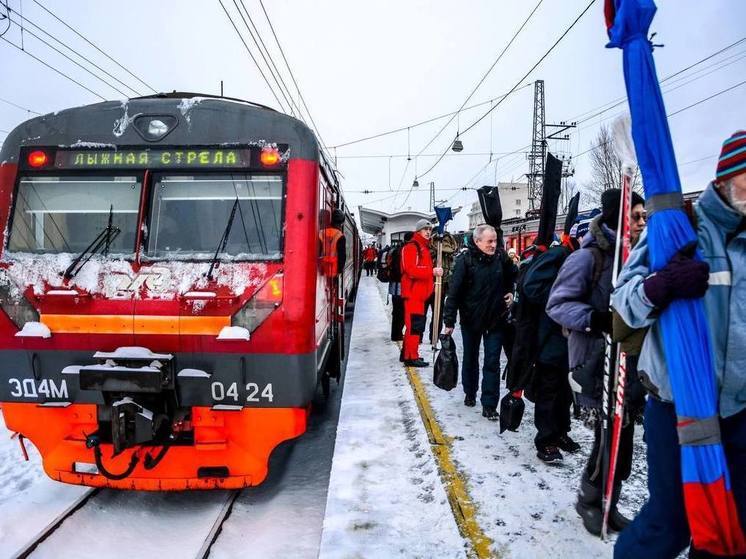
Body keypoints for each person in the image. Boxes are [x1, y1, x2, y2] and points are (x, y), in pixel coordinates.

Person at [613, 132, 746, 559]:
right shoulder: (678, 227)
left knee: (728, 531)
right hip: (677, 406)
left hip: (740, 412)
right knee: (670, 527)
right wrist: (662, 285)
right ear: (727, 178)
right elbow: (623, 306)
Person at [546, 188, 645, 535]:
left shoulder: (637, 256)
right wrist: (595, 318)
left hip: (629, 362)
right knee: (607, 438)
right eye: (635, 216)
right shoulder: (589, 257)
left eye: (644, 216)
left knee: (624, 439)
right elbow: (556, 304)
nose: (641, 222)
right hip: (594, 362)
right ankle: (590, 501)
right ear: (620, 217)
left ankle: (609, 502)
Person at [521, 228, 583, 463]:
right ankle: (545, 440)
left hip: (573, 337)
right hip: (551, 334)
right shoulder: (557, 255)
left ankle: (560, 433)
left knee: (566, 390)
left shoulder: (580, 256)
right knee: (549, 388)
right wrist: (563, 296)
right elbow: (531, 287)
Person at [443, 224, 516, 420]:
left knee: (492, 362)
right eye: (489, 241)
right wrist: (448, 321)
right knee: (471, 357)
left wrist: (511, 291)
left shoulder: (501, 258)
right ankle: (470, 391)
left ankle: (489, 404)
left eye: (495, 241)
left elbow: (513, 276)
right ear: (477, 241)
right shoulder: (465, 261)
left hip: (496, 319)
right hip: (471, 319)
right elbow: (454, 293)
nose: (494, 245)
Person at [401, 220, 441, 367]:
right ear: (418, 231)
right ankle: (411, 357)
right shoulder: (412, 247)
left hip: (419, 295)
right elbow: (410, 270)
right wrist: (432, 272)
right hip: (413, 295)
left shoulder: (422, 247)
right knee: (414, 326)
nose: (428, 232)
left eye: (430, 229)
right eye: (425, 229)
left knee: (415, 326)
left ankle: (408, 354)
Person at [424, 231, 458, 342]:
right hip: (438, 285)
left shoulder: (429, 249)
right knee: (436, 314)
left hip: (435, 286)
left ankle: (429, 337)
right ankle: (433, 337)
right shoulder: (450, 252)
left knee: (432, 314)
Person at [388, 237, 408, 342]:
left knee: (396, 311)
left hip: (394, 285)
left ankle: (396, 334)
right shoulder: (402, 252)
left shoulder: (396, 250)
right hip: (399, 285)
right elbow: (400, 269)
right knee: (400, 311)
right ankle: (397, 334)